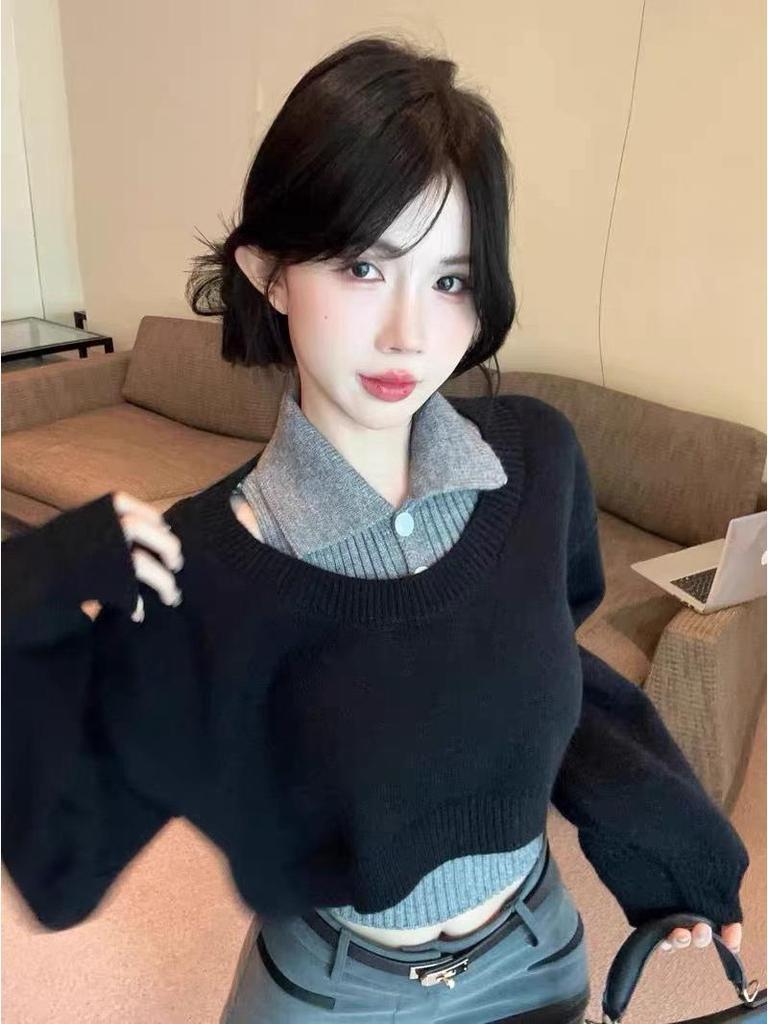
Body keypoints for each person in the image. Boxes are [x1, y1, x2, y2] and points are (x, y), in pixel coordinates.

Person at [2, 33, 749, 1024]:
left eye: (450, 279)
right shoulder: (199, 570)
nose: (410, 333)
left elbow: (554, 671)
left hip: (535, 956)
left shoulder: (537, 460)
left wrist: (674, 853)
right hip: (332, 991)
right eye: (363, 266)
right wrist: (23, 594)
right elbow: (62, 862)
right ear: (268, 272)